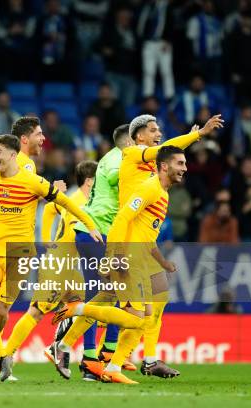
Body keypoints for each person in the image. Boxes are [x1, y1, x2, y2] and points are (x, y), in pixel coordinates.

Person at [51, 112, 224, 381]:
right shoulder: (133, 155)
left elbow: (168, 153)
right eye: (153, 129)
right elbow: (166, 152)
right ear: (138, 136)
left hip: (141, 243)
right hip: (127, 243)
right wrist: (198, 134)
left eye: (159, 129)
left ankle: (69, 346)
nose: (158, 133)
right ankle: (113, 359)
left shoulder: (156, 180)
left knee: (144, 298)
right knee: (131, 312)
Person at [0, 134, 102, 382]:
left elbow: (64, 202)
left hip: (20, 255)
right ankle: (2, 355)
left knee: (2, 311)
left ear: (13, 155)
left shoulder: (33, 181)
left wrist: (89, 224)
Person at [51, 146, 188, 384]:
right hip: (128, 258)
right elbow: (123, 217)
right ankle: (77, 310)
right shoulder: (149, 188)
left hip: (141, 258)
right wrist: (113, 254)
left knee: (129, 308)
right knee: (137, 319)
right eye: (180, 163)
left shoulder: (162, 194)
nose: (184, 168)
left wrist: (162, 262)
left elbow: (148, 235)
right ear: (164, 166)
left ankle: (103, 361)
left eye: (185, 164)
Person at [51, 125, 135, 381]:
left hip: (96, 234)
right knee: (116, 290)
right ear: (130, 141)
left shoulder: (119, 159)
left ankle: (90, 359)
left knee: (105, 294)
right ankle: (100, 354)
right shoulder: (116, 160)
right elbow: (117, 180)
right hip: (96, 233)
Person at [3, 160, 97, 359]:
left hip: (68, 265)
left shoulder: (74, 198)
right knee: (36, 311)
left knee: (84, 306)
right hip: (59, 265)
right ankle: (5, 354)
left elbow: (49, 209)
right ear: (90, 181)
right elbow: (77, 235)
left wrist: (47, 237)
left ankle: (57, 346)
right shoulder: (80, 203)